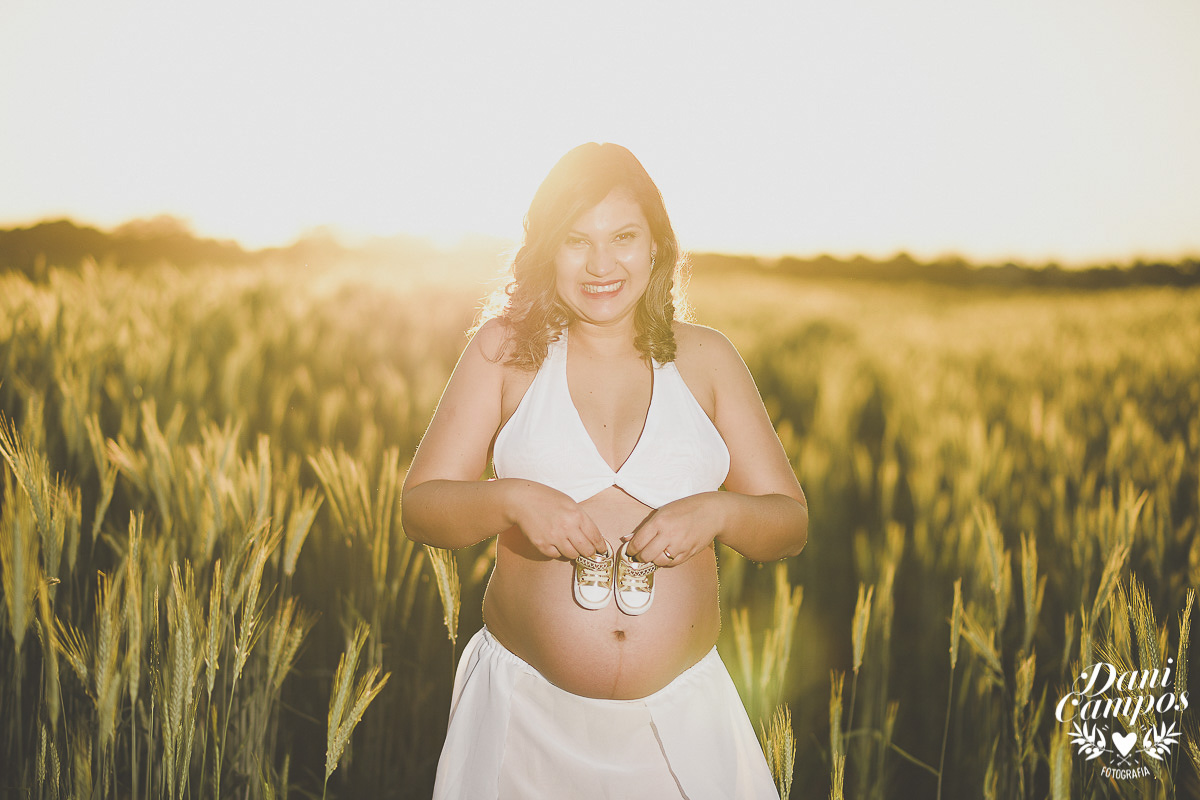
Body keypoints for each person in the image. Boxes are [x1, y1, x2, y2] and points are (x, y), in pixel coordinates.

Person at [401, 142, 808, 799]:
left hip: (679, 732)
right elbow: (421, 508)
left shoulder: (708, 359)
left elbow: (789, 524)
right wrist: (511, 501)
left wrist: (719, 512)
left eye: (623, 237)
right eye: (575, 240)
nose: (600, 265)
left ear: (657, 247)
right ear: (545, 251)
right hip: (524, 731)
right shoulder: (505, 351)